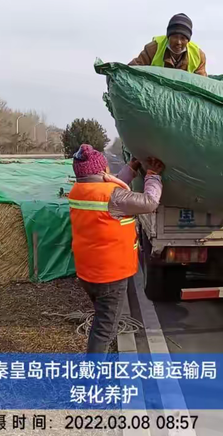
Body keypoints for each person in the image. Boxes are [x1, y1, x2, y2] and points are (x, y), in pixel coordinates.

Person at [68, 144, 164, 354]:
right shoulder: (113, 197)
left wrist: (130, 169)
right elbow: (149, 202)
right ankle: (92, 379)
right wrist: (153, 176)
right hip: (110, 275)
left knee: (103, 319)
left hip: (88, 272)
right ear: (102, 170)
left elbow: (110, 188)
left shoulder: (79, 191)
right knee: (104, 329)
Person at [129, 13, 207, 76]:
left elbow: (202, 83)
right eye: (175, 37)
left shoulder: (198, 55)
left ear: (188, 40)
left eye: (183, 38)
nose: (178, 42)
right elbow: (131, 70)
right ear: (168, 36)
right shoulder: (153, 49)